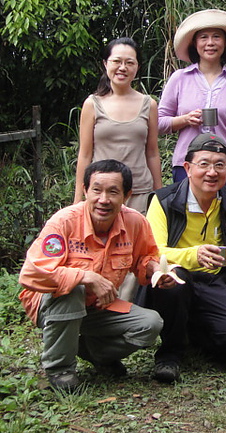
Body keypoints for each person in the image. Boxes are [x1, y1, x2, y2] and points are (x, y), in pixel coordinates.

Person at [19, 160, 176, 391]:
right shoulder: (64, 222)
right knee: (74, 288)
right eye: (97, 190)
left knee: (150, 324)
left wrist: (157, 271)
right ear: (85, 191)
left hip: (98, 308)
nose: (104, 199)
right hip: (51, 305)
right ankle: (60, 369)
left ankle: (89, 351)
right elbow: (32, 273)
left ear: (127, 195)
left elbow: (145, 258)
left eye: (113, 192)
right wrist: (87, 277)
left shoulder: (135, 222)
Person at [145, 133, 226, 383]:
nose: (212, 172)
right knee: (176, 276)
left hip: (212, 281)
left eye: (219, 165)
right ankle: (169, 355)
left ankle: (190, 331)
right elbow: (154, 251)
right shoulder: (164, 201)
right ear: (187, 168)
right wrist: (193, 255)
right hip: (175, 280)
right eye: (203, 164)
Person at [158, 9, 226, 200]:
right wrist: (185, 120)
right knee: (186, 222)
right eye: (203, 37)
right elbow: (158, 124)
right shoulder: (179, 79)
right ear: (194, 43)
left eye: (216, 37)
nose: (210, 43)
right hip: (187, 165)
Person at [74, 37, 162, 213]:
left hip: (140, 192)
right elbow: (85, 154)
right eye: (117, 61)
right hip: (102, 194)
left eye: (130, 62)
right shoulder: (92, 104)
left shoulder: (149, 104)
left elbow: (152, 152)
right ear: (105, 64)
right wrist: (78, 199)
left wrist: (159, 194)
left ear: (137, 67)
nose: (123, 68)